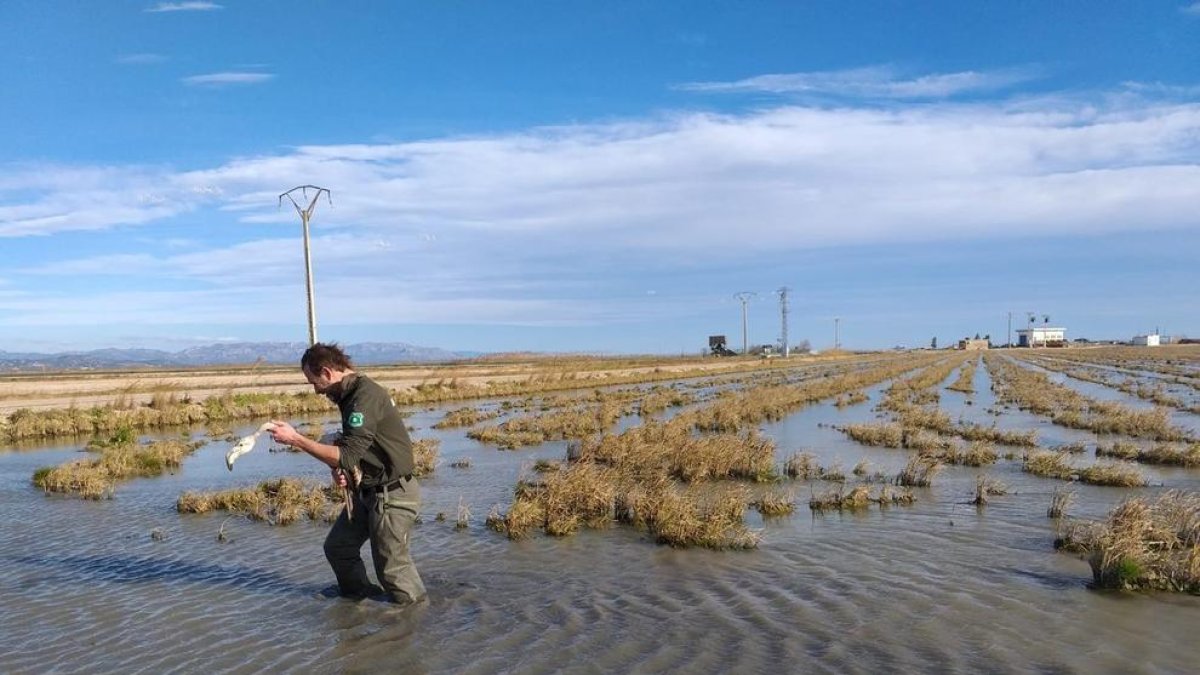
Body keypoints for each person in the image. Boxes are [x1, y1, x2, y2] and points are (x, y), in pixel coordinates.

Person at [269, 342, 427, 606]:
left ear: (328, 373)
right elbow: (359, 449)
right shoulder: (349, 395)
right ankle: (361, 600)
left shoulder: (364, 397)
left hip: (393, 494)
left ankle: (414, 620)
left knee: (392, 568)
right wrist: (345, 470)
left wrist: (296, 439)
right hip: (369, 490)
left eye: (314, 382)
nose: (316, 390)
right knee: (339, 548)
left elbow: (349, 454)